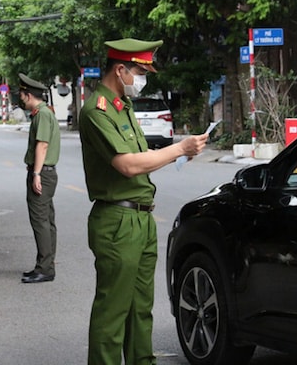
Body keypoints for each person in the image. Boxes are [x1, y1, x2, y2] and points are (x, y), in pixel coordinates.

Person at [79, 38, 208, 364]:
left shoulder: (124, 107)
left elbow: (143, 157)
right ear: (120, 70)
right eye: (139, 71)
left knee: (140, 311)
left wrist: (178, 154)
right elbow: (126, 164)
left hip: (141, 219)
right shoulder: (97, 110)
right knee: (113, 312)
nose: (143, 79)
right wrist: (179, 149)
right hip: (117, 223)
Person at [18, 73, 60, 283]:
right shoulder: (44, 113)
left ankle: (44, 268)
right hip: (47, 172)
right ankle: (46, 266)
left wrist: (36, 174)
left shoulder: (42, 114)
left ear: (27, 95)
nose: (20, 98)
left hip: (42, 173)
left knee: (40, 222)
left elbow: (42, 145)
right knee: (47, 221)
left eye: (21, 94)